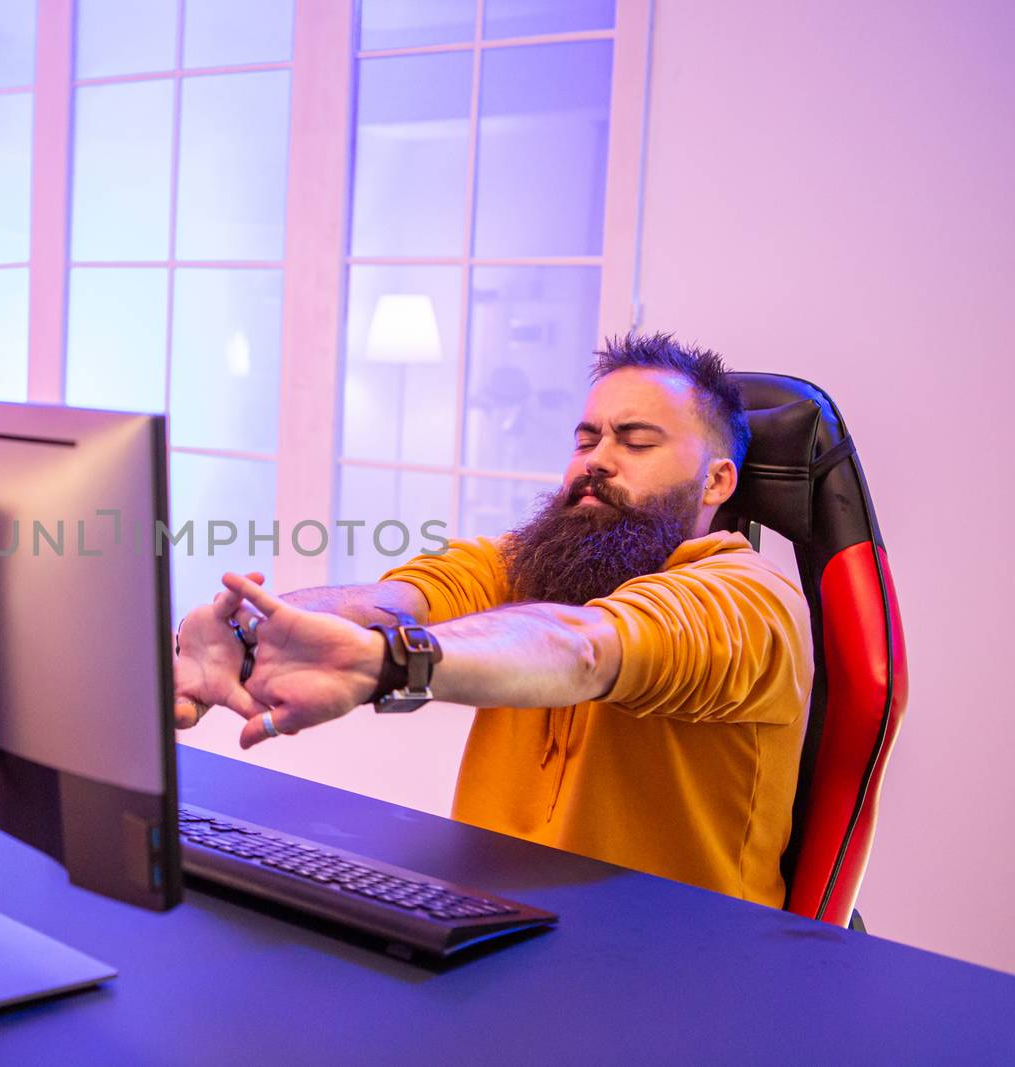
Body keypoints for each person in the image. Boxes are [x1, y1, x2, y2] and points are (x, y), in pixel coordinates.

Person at [173, 332, 813, 907]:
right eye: (586, 440)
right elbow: (401, 599)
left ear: (717, 482)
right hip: (496, 924)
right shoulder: (533, 563)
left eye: (636, 441)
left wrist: (387, 663)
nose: (596, 460)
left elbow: (585, 647)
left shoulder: (748, 602)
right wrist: (244, 637)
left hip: (677, 974)